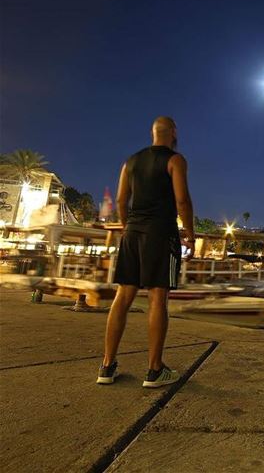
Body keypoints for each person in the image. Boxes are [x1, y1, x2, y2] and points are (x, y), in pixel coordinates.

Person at [97, 116, 195, 387]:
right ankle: (154, 369)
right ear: (173, 132)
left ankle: (107, 366)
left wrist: (130, 227)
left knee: (123, 296)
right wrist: (189, 231)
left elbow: (120, 200)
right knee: (157, 298)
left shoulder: (130, 162)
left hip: (133, 233)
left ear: (152, 133)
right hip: (161, 234)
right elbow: (182, 200)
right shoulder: (175, 161)